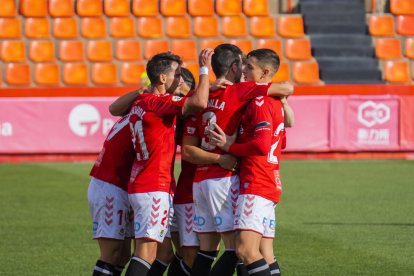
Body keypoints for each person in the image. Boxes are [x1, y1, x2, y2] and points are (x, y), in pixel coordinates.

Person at [182, 44, 294, 276]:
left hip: (201, 181)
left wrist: (205, 78)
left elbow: (187, 150)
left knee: (211, 249)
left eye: (249, 67)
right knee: (241, 250)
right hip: (230, 179)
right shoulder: (243, 93)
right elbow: (287, 90)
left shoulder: (201, 97)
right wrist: (226, 150)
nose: (244, 71)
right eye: (243, 66)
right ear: (234, 67)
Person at [123, 49, 213, 276]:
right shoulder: (158, 103)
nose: (181, 80)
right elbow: (200, 101)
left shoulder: (142, 102)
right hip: (153, 187)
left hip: (144, 184)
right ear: (163, 78)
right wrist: (204, 68)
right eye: (177, 74)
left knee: (163, 254)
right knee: (145, 254)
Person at [88, 113, 136, 276]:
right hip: (111, 186)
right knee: (112, 253)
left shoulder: (138, 109)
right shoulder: (150, 110)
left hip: (120, 185)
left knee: (123, 255)